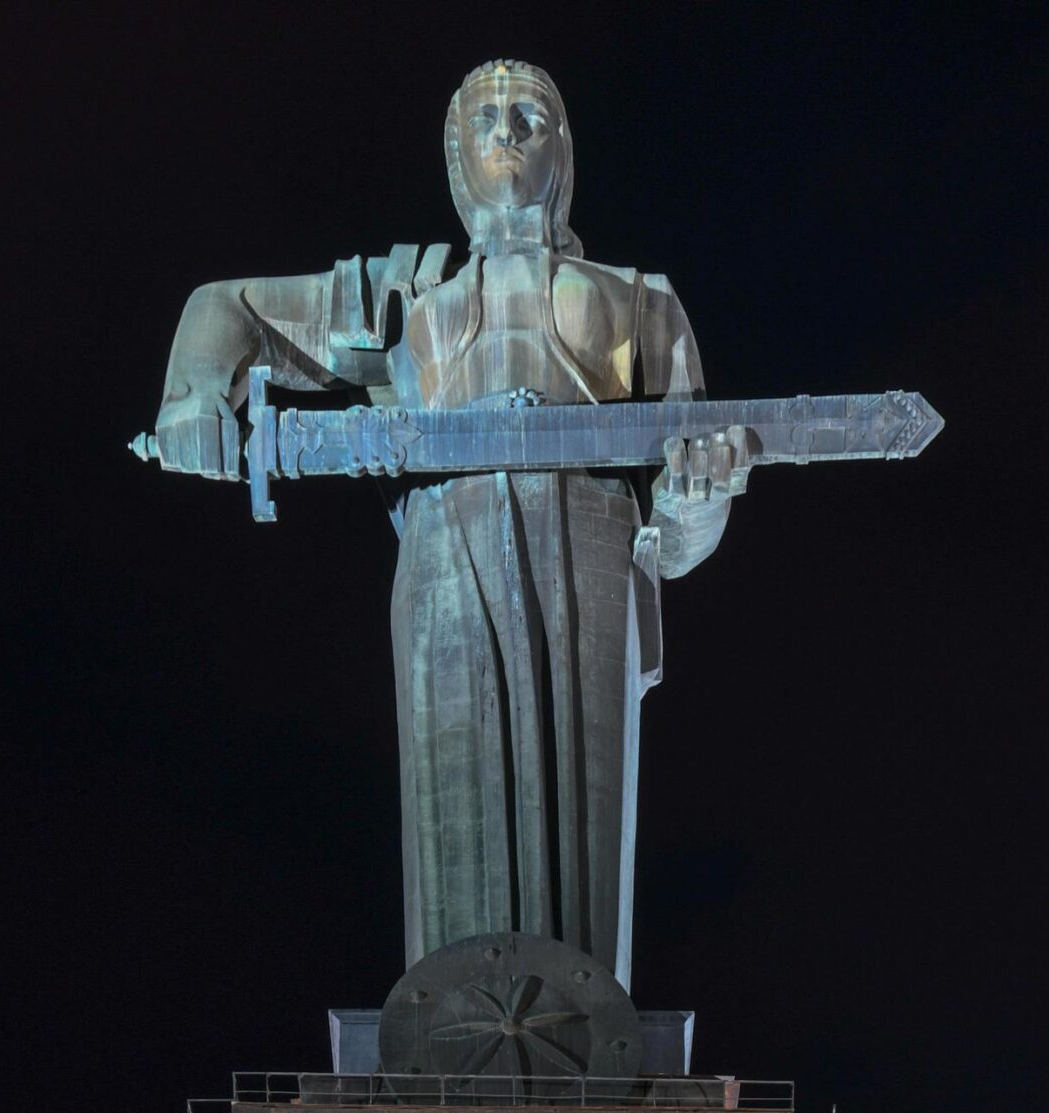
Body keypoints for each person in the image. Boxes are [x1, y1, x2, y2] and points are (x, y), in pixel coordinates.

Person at [151, 60, 746, 991]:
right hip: (445, 553)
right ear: (455, 159)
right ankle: (449, 1034)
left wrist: (700, 497)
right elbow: (226, 310)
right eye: (485, 120)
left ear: (565, 151)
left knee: (584, 830)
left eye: (531, 116)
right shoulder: (406, 299)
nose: (506, 131)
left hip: (591, 549)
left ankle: (585, 1041)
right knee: (455, 811)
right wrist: (193, 394)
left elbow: (672, 539)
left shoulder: (640, 301)